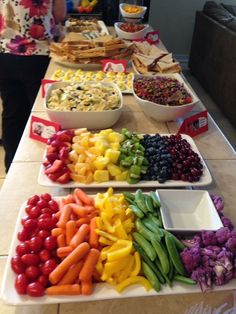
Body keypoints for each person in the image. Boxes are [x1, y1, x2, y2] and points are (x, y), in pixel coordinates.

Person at [0, 0, 66, 172]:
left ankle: (14, 170)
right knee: (44, 115)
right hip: (38, 55)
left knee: (12, 113)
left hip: (5, 53)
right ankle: (45, 168)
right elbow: (60, 15)